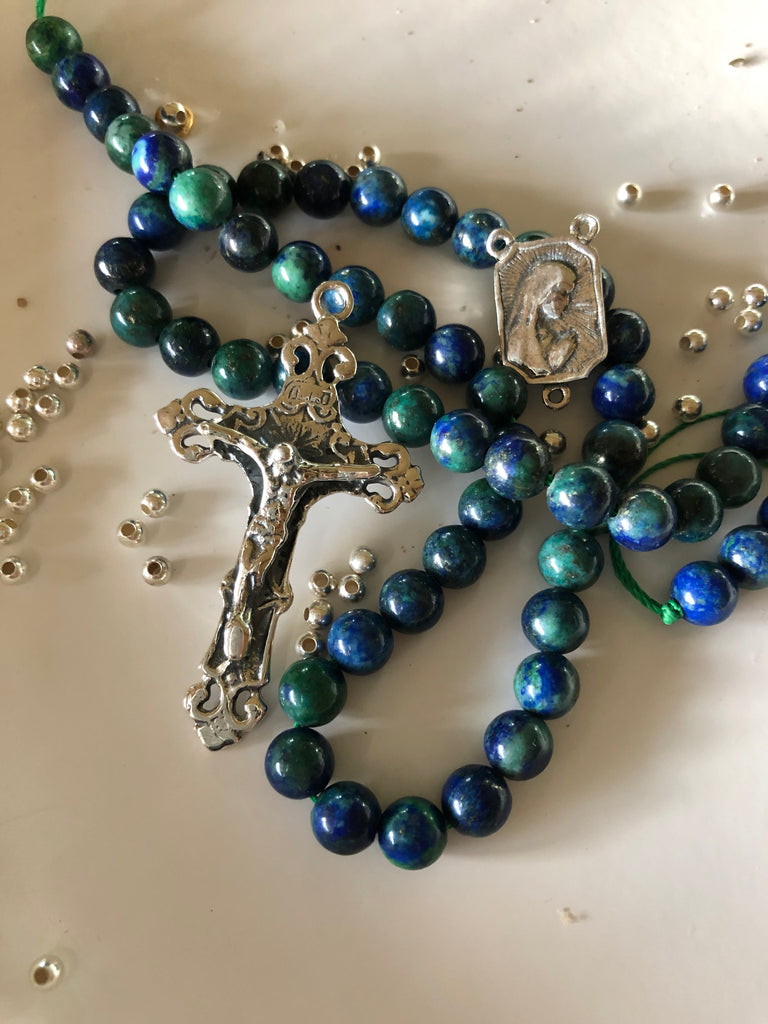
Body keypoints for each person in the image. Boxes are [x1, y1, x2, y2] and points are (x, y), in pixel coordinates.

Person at [506, 260, 579, 377]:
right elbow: (538, 368)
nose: (567, 301)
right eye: (562, 293)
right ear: (541, 293)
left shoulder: (548, 334)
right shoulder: (518, 340)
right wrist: (556, 360)